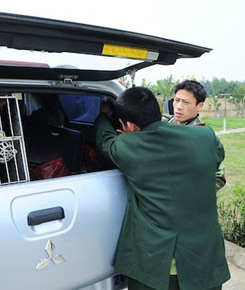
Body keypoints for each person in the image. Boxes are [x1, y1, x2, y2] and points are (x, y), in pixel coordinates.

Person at [94, 86, 230, 290]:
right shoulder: (206, 136)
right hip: (203, 261)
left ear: (130, 126)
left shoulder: (127, 146)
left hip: (155, 267)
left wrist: (103, 115)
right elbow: (216, 157)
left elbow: (104, 139)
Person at [165, 80, 226, 190]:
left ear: (200, 106)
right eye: (177, 100)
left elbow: (219, 177)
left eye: (186, 102)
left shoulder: (204, 138)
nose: (179, 106)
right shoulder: (163, 124)